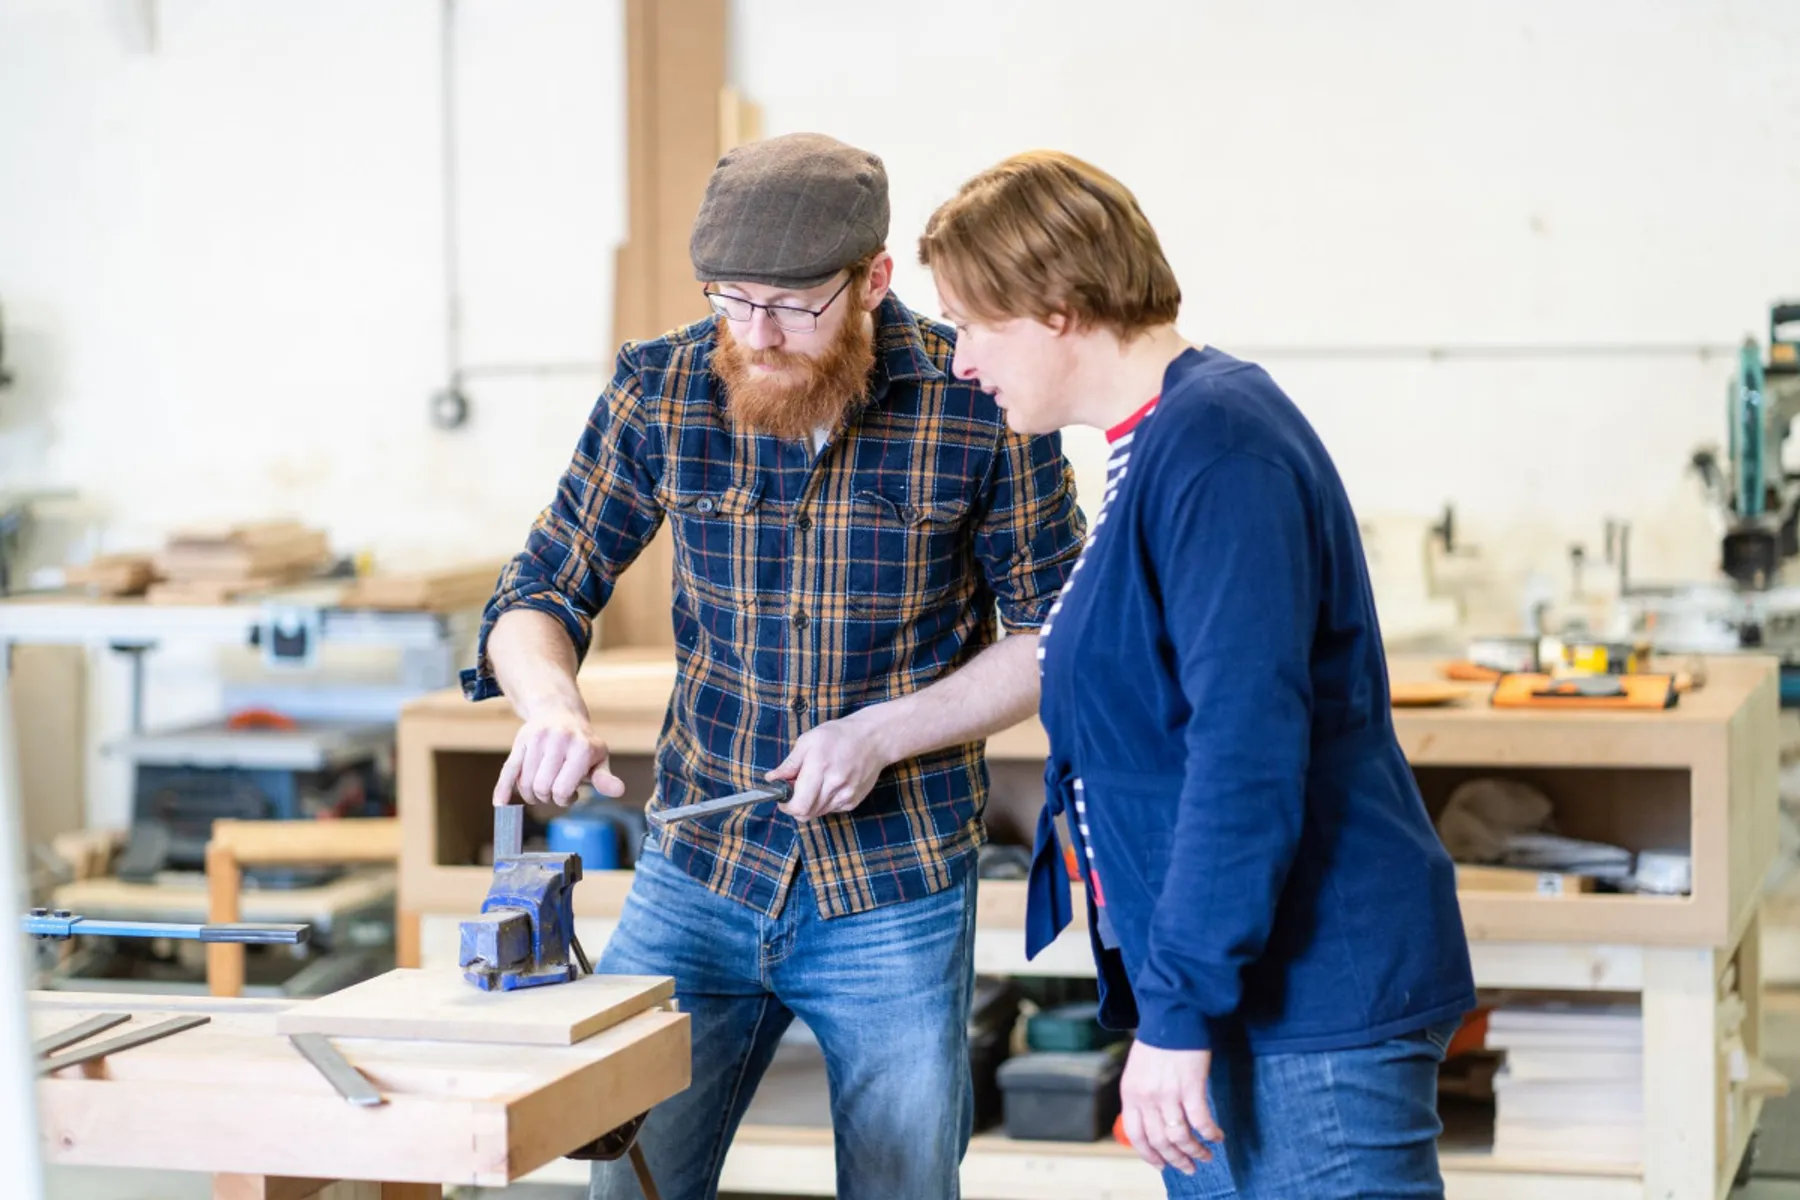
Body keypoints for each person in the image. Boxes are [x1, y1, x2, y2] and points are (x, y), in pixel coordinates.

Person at [462, 132, 1087, 1200]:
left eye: (794, 305)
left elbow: (1057, 637)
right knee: (628, 1176)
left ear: (875, 280)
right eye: (730, 298)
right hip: (698, 872)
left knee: (900, 1184)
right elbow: (536, 595)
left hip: (894, 884)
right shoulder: (660, 386)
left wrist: (882, 734)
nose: (756, 333)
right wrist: (549, 704)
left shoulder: (976, 394)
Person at [917, 151, 1477, 1199]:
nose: (960, 360)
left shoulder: (1220, 447)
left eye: (973, 324)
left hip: (1308, 1003)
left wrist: (1178, 1013)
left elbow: (1245, 754)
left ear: (1057, 306)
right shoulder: (1156, 445)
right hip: (1236, 999)